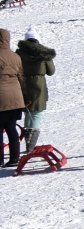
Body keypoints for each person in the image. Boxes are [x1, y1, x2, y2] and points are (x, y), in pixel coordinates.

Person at [17, 28, 54, 153]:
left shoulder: (19, 54)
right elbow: (51, 71)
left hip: (23, 84)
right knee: (37, 113)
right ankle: (30, 146)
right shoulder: (44, 54)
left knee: (28, 112)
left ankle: (28, 141)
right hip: (39, 85)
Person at [0, 29, 23, 167]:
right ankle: (14, 158)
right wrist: (25, 96)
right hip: (15, 98)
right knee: (11, 128)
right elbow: (21, 78)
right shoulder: (15, 56)